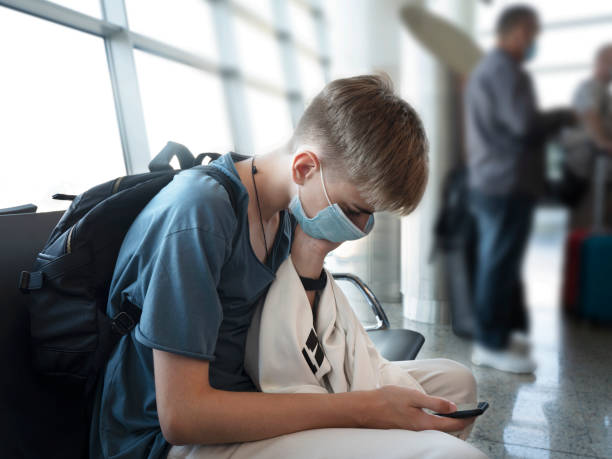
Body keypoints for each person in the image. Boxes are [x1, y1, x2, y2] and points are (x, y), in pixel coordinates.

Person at [90, 74, 487, 459]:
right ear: (304, 169)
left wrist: (311, 255)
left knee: (455, 384)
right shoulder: (200, 216)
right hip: (175, 440)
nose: (361, 228)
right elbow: (182, 416)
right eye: (355, 210)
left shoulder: (285, 212)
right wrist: (362, 409)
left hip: (259, 386)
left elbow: (292, 338)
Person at [464, 5, 574, 374]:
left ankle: (494, 334)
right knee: (498, 263)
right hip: (504, 184)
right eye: (530, 33)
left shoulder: (491, 71)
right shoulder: (503, 71)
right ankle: (490, 343)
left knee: (499, 262)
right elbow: (524, 125)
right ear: (514, 33)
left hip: (497, 182)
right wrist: (562, 115)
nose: (533, 41)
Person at [561, 44, 612, 229]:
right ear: (601, 62)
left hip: (600, 174)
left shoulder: (605, 93)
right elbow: (590, 114)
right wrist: (602, 143)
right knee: (586, 227)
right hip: (585, 172)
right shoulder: (590, 87)